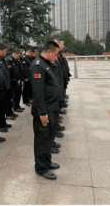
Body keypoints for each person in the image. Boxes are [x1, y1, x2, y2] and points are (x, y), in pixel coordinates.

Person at [30, 39, 62, 180]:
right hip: (44, 111)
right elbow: (38, 93)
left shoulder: (47, 64)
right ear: (49, 52)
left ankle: (47, 162)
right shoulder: (38, 66)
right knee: (42, 140)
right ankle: (41, 167)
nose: (56, 57)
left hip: (52, 108)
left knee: (49, 138)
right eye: (56, 54)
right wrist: (42, 113)